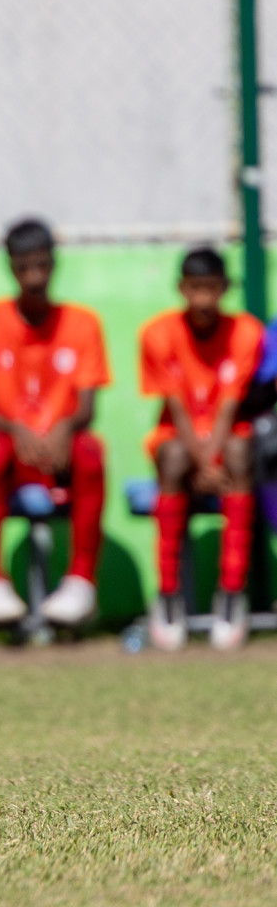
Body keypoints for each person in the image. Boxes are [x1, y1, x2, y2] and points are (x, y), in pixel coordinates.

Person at [0, 218, 110, 628]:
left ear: (54, 264)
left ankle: (80, 580)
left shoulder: (83, 323)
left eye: (42, 265)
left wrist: (63, 427)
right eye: (25, 267)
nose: (35, 277)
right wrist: (18, 429)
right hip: (11, 455)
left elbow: (87, 409)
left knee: (91, 450)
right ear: (11, 267)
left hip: (61, 456)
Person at [140, 247, 263, 651]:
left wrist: (212, 461)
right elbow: (176, 410)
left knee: (241, 452)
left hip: (225, 444)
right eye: (195, 289)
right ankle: (168, 592)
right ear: (181, 289)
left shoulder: (246, 332)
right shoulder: (157, 333)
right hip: (180, 443)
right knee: (173, 456)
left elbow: (229, 404)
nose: (204, 300)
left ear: (225, 288)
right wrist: (202, 462)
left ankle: (231, 590)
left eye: (212, 289)